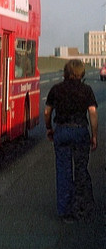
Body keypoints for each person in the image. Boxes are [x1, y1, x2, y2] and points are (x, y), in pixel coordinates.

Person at [44, 59, 98, 223]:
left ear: (65, 72)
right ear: (81, 73)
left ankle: (65, 212)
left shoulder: (56, 89)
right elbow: (93, 113)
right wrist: (94, 135)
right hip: (80, 130)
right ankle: (82, 209)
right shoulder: (86, 89)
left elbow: (47, 111)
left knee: (63, 171)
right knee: (81, 170)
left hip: (62, 131)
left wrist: (49, 128)